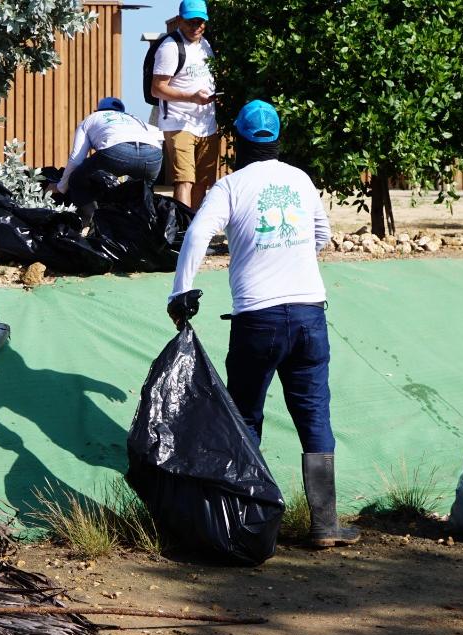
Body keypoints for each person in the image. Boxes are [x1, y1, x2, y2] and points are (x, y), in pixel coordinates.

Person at [165, 100, 357, 548]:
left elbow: (196, 234)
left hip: (258, 320)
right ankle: (325, 524)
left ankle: (249, 524)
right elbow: (322, 236)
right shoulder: (301, 181)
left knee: (247, 415)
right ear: (277, 139)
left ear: (240, 141)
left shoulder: (230, 187)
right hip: (310, 314)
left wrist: (180, 292)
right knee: (314, 413)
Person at [150, 0, 218, 210]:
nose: (196, 26)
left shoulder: (206, 45)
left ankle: (193, 227)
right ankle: (181, 233)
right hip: (179, 122)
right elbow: (157, 89)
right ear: (180, 20)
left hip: (207, 123)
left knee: (203, 181)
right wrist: (192, 97)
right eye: (191, 22)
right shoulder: (170, 48)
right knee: (184, 179)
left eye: (200, 21)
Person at [56, 97, 163, 221]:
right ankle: (145, 228)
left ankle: (91, 222)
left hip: (116, 151)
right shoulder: (134, 118)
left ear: (97, 110)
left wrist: (61, 187)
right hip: (152, 154)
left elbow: (76, 159)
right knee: (141, 192)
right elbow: (160, 134)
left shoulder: (92, 118)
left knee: (76, 178)